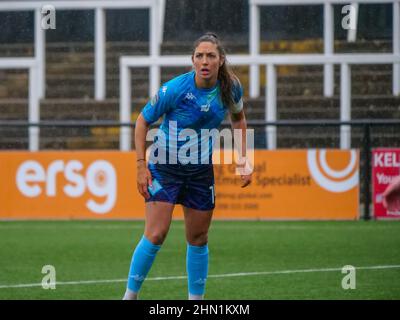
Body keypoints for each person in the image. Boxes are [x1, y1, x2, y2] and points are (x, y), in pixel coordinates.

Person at [123, 32, 253, 300]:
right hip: (164, 167)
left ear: (220, 60)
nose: (205, 61)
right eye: (199, 56)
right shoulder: (175, 90)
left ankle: (196, 302)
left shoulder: (231, 88)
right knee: (156, 234)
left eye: (211, 56)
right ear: (192, 61)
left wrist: (242, 157)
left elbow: (238, 120)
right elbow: (141, 122)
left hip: (199, 171)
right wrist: (140, 165)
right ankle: (130, 296)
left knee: (198, 238)